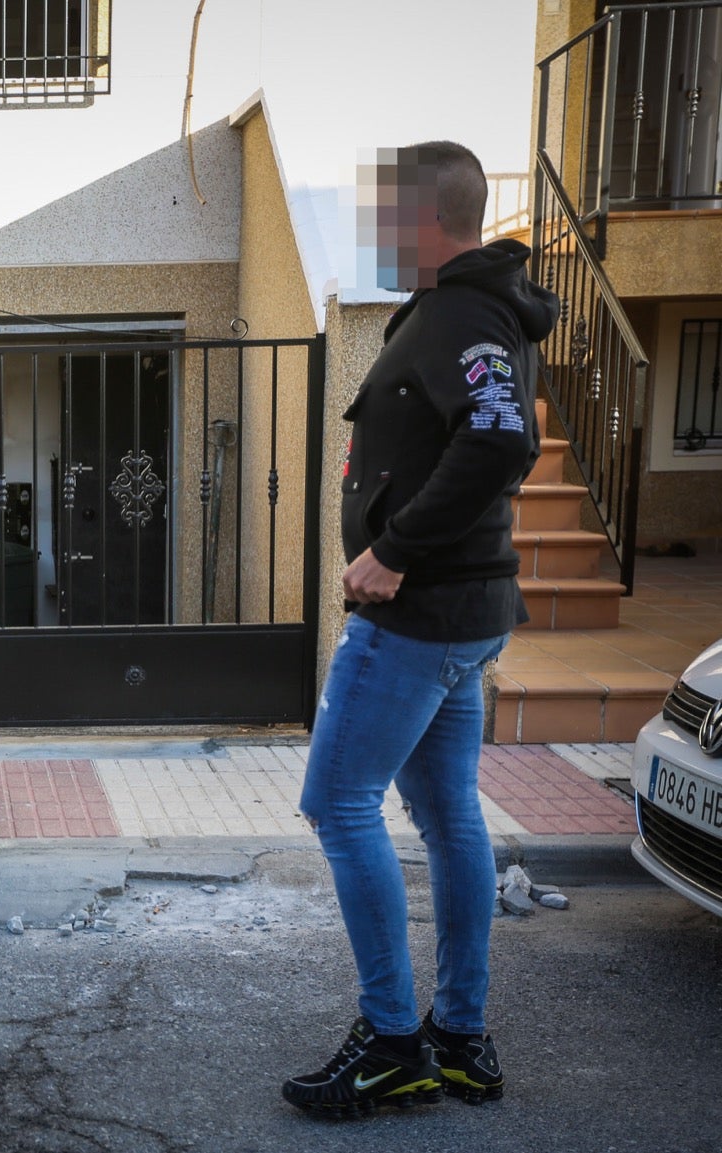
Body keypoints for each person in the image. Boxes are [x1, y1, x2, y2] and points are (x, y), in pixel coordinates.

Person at [281, 142, 559, 1116]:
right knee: (448, 818)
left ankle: (394, 1041)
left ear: (428, 219)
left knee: (336, 801)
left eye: (383, 216)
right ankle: (459, 1037)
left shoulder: (459, 313)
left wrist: (391, 551)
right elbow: (480, 433)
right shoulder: (476, 312)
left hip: (419, 619)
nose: (372, 235)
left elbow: (498, 437)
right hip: (463, 616)